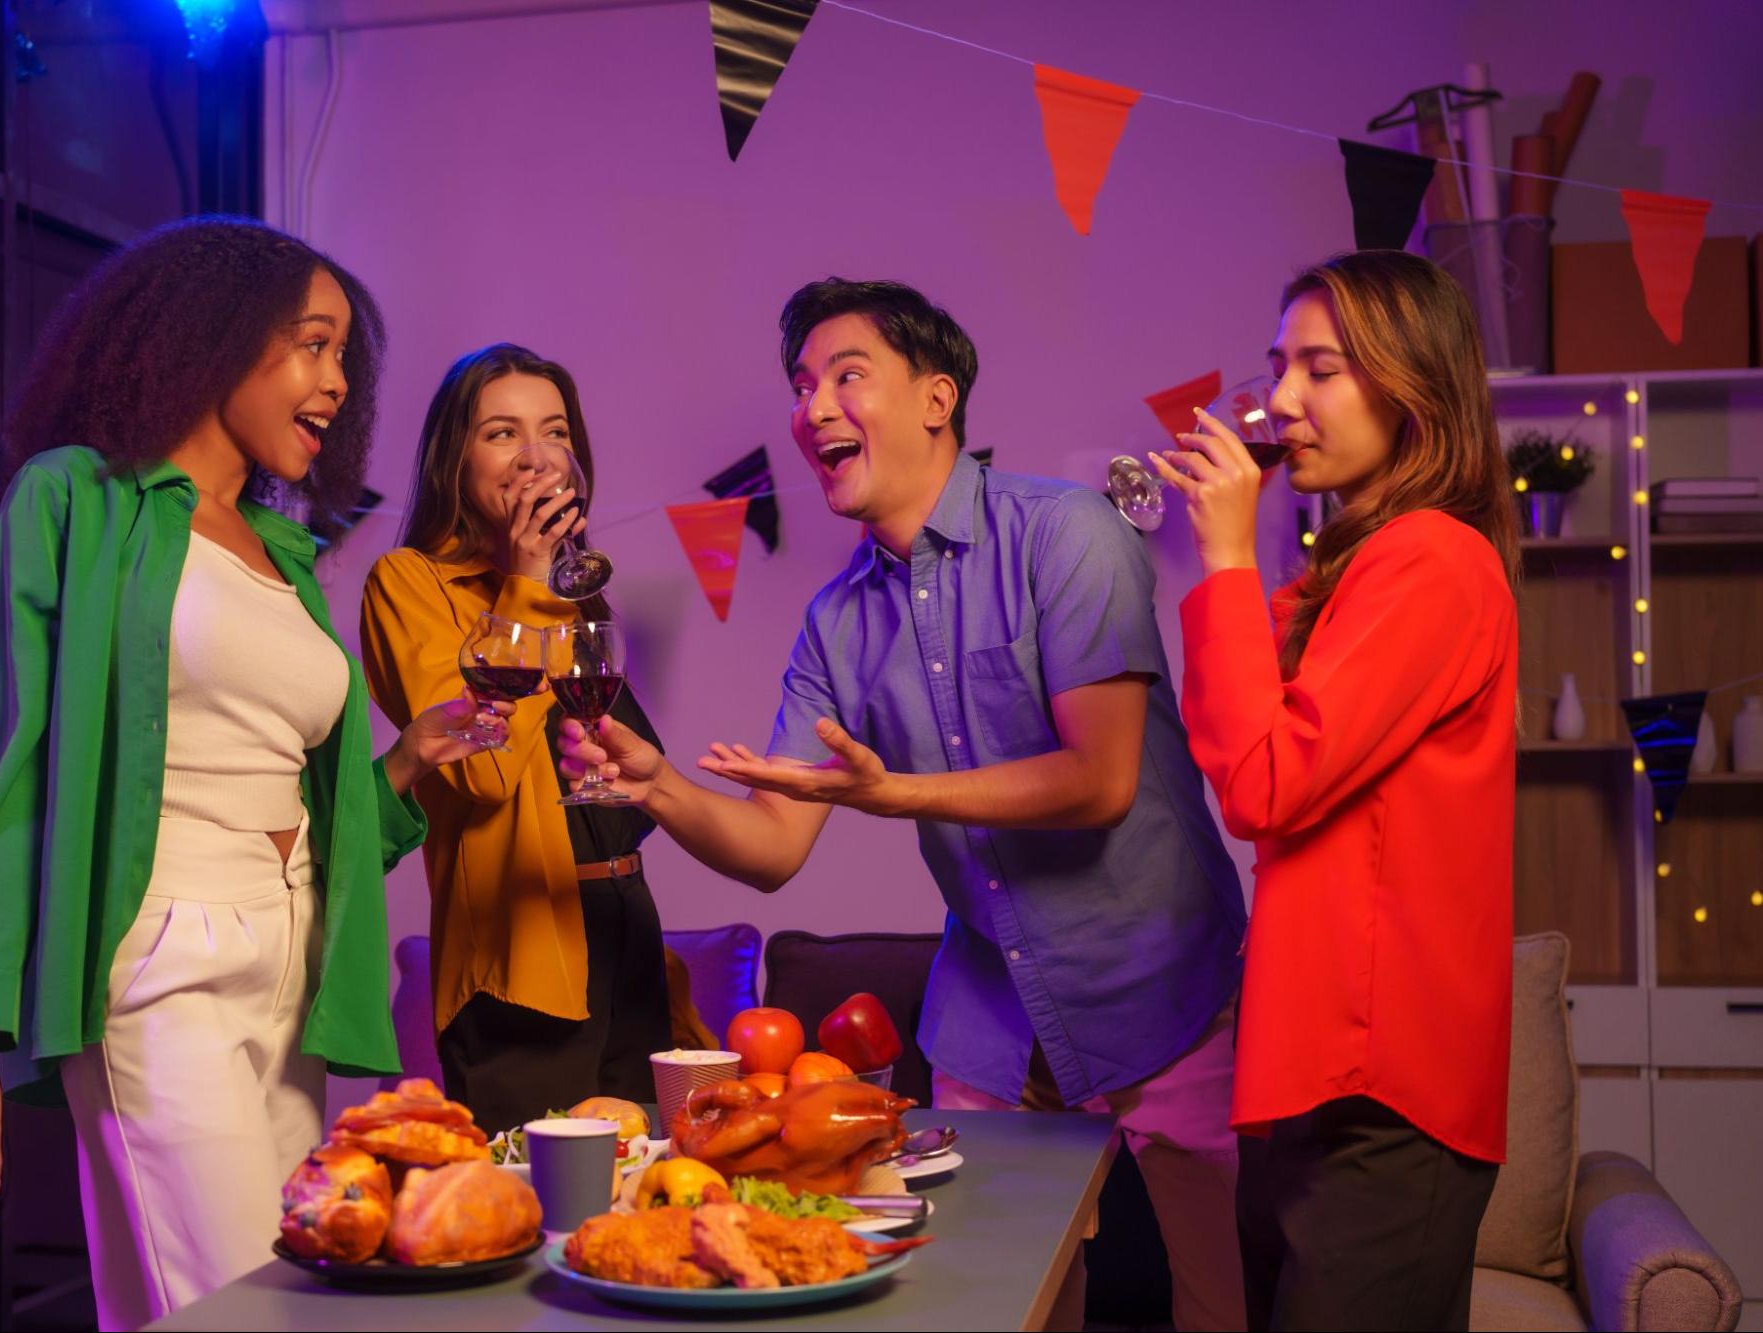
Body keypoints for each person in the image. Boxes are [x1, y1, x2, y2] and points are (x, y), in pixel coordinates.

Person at [559, 279, 1249, 1330]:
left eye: (846, 375)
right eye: (800, 386)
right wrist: (658, 786)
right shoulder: (836, 621)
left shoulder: (1067, 534)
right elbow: (774, 844)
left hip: (1162, 988)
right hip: (989, 1022)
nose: (812, 408)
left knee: (1211, 1301)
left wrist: (890, 794)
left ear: (936, 399)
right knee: (997, 1308)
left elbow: (1099, 780)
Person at [0, 217, 503, 1331]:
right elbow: (21, 780)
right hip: (158, 960)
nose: (337, 384)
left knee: (237, 1301)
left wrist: (411, 759)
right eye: (312, 345)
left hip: (290, 961)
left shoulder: (281, 553)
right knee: (247, 1309)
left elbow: (309, 805)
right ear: (215, 339)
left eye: (345, 357)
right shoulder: (73, 503)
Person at [1149, 249, 1519, 1331]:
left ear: (1411, 388)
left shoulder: (1431, 560)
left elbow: (1264, 785)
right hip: (1311, 1077)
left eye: (1323, 369)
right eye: (1279, 368)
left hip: (1381, 1084)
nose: (1282, 402)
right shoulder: (1349, 572)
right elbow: (1248, 747)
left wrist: (1221, 558)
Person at [360, 344, 670, 1135]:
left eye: (553, 430)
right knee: (535, 1210)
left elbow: (630, 800)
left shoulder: (575, 597)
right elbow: (482, 779)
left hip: (624, 929)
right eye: (502, 432)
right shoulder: (409, 583)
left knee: (637, 1205)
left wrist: (553, 587)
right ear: (453, 461)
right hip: (519, 956)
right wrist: (529, 582)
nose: (535, 455)